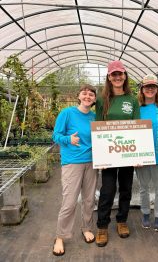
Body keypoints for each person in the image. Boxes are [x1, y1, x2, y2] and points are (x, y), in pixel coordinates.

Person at [95, 60, 140, 247]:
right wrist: (100, 156)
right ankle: (102, 226)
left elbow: (137, 127)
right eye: (114, 74)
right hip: (108, 154)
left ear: (125, 76)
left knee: (126, 188)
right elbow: (97, 128)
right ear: (109, 77)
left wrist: (138, 155)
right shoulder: (101, 99)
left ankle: (122, 221)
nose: (117, 77)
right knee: (107, 190)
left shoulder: (132, 99)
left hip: (127, 152)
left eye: (120, 74)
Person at [52, 84, 98, 256]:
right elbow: (55, 135)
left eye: (91, 94)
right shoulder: (67, 113)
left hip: (92, 162)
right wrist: (67, 139)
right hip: (72, 162)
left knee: (89, 199)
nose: (87, 96)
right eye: (84, 93)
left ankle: (86, 227)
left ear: (94, 99)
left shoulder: (94, 117)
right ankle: (60, 236)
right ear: (78, 96)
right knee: (70, 201)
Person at [136, 74, 158, 231]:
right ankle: (145, 213)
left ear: (157, 89)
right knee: (143, 187)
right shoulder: (136, 108)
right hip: (140, 156)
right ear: (142, 90)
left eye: (153, 87)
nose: (149, 89)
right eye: (146, 87)